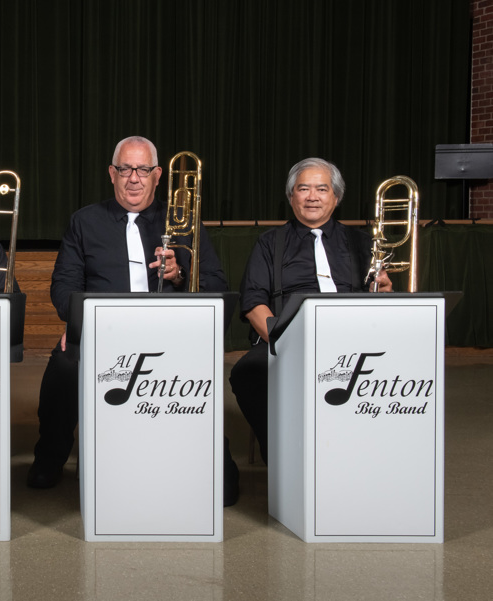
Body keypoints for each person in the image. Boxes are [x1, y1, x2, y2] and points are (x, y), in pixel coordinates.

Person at [27, 136, 238, 505]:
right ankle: (50, 455)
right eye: (125, 169)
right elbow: (63, 284)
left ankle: (217, 463)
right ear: (112, 174)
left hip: (169, 334)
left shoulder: (185, 223)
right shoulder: (85, 221)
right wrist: (76, 323)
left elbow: (217, 285)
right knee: (64, 363)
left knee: (198, 371)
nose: (134, 178)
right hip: (102, 332)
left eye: (143, 170)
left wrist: (178, 274)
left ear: (158, 175)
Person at [230, 157, 392, 465]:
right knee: (248, 373)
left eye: (321, 188)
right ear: (292, 197)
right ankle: (284, 460)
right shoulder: (269, 243)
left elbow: (379, 298)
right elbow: (253, 302)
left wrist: (384, 289)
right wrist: (284, 341)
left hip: (353, 339)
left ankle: (370, 458)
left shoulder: (362, 243)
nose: (312, 196)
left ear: (336, 197)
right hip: (286, 338)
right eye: (303, 189)